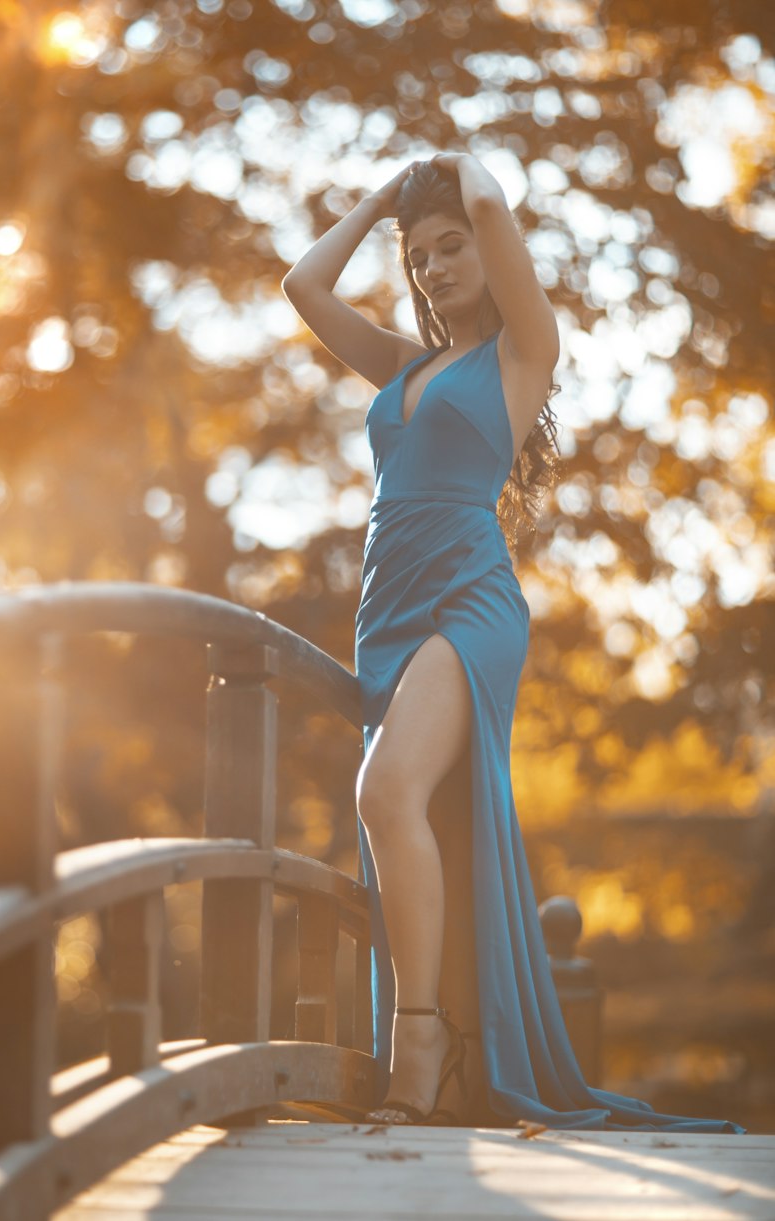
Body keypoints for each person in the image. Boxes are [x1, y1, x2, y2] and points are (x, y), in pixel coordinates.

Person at [281, 153, 747, 1134]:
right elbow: (302, 286)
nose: (435, 267)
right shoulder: (402, 369)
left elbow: (490, 202)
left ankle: (421, 1047)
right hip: (387, 611)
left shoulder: (525, 352)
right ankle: (438, 1039)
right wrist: (380, 199)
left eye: (451, 248)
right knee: (405, 809)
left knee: (382, 791)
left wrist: (452, 169)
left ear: (488, 252)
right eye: (420, 256)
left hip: (468, 597)